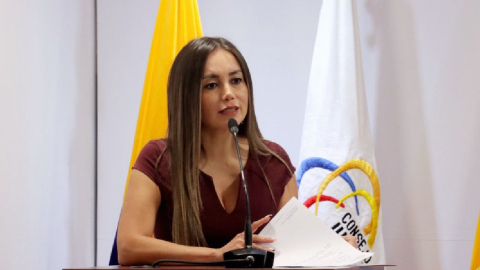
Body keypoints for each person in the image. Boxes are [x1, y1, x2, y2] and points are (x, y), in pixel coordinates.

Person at [117, 37, 355, 266]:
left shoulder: (273, 161)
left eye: (236, 80)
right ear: (187, 96)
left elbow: (294, 246)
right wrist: (216, 255)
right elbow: (128, 246)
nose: (228, 93)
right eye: (211, 85)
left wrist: (331, 248)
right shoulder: (158, 159)